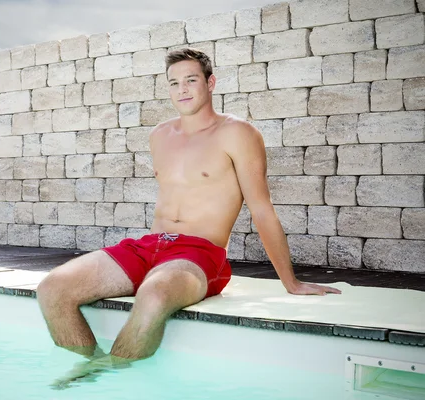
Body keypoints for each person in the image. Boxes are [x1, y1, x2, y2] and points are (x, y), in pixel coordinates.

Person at [37, 47, 342, 388]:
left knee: (152, 296)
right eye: (173, 83)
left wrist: (291, 281)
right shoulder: (159, 135)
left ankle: (105, 384)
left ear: (210, 83)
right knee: (53, 289)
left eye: (190, 80)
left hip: (199, 255)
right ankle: (88, 371)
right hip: (148, 246)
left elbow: (261, 208)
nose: (181, 89)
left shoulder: (237, 133)